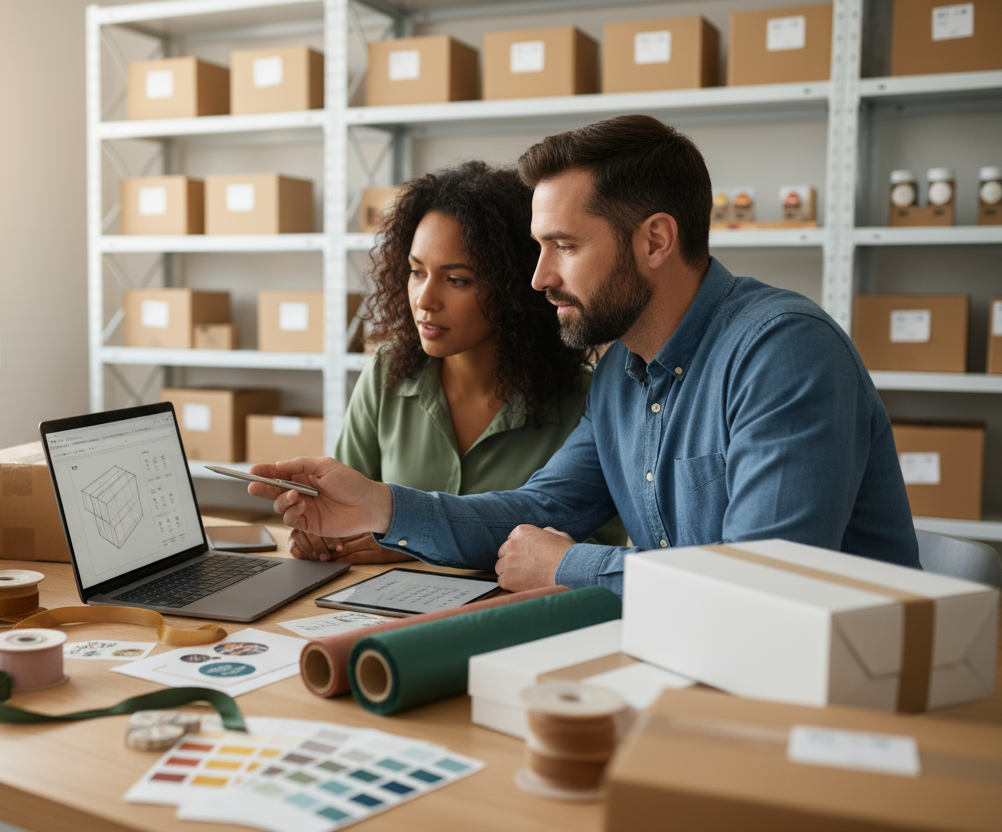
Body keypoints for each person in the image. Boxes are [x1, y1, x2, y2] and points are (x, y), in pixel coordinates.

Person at [250, 114, 919, 595]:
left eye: (564, 247)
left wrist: (567, 568)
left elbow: (762, 586)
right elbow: (536, 510)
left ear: (655, 240)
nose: (539, 278)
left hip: (837, 700)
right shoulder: (623, 376)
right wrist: (381, 507)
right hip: (696, 662)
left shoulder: (783, 353)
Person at [289, 160, 625, 564]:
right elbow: (346, 505)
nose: (425, 300)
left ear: (513, 286)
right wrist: (321, 532)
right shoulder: (387, 372)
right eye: (416, 272)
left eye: (457, 280)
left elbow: (586, 556)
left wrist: (413, 545)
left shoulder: (586, 401)